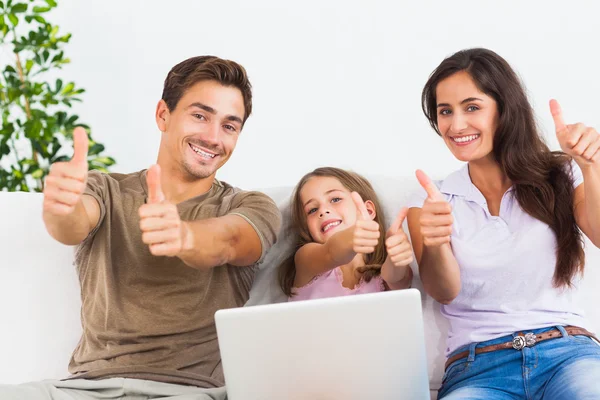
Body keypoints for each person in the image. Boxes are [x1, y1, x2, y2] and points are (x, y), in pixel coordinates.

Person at [0, 56, 281, 400]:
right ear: (164, 115)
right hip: (88, 389)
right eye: (199, 115)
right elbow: (72, 225)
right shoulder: (106, 190)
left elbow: (232, 240)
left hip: (194, 392)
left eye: (229, 125)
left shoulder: (251, 205)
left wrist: (184, 236)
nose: (212, 136)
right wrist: (61, 207)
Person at [407, 47, 600, 399]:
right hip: (479, 369)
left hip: (567, 353)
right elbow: (443, 290)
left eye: (472, 107)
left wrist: (590, 165)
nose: (456, 124)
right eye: (445, 111)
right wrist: (435, 242)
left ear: (504, 109)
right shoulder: (435, 203)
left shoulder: (560, 174)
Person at [279, 167, 413, 301]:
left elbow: (397, 280)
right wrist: (352, 236)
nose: (323, 211)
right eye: (312, 209)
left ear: (368, 210)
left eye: (335, 199)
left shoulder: (380, 278)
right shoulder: (306, 259)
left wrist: (396, 259)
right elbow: (331, 253)